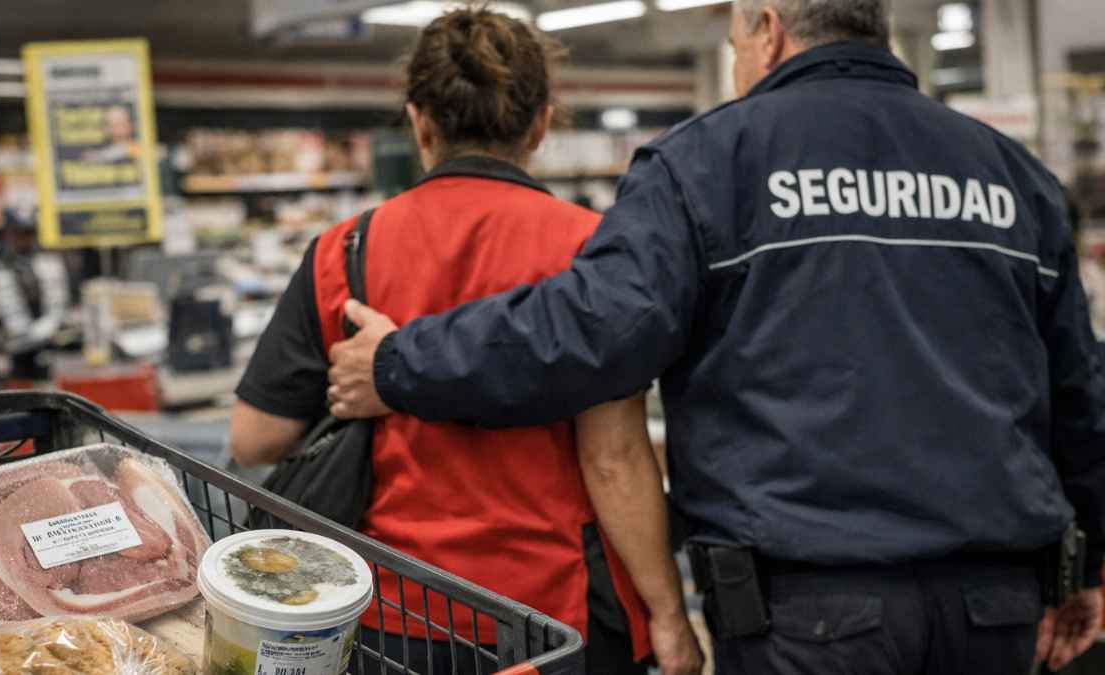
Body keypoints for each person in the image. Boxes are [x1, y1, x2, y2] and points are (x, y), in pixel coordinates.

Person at [326, 1, 1105, 673]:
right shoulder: (1011, 175)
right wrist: (1091, 563)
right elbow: (1081, 396)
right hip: (996, 607)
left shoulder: (707, 163)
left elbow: (585, 332)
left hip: (810, 614)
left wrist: (397, 361)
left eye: (734, 44)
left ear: (767, 30)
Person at [227, 8, 702, 675]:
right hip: (549, 618)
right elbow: (614, 458)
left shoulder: (344, 252)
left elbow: (255, 439)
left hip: (391, 611)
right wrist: (669, 613)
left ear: (419, 121)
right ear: (541, 124)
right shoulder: (592, 250)